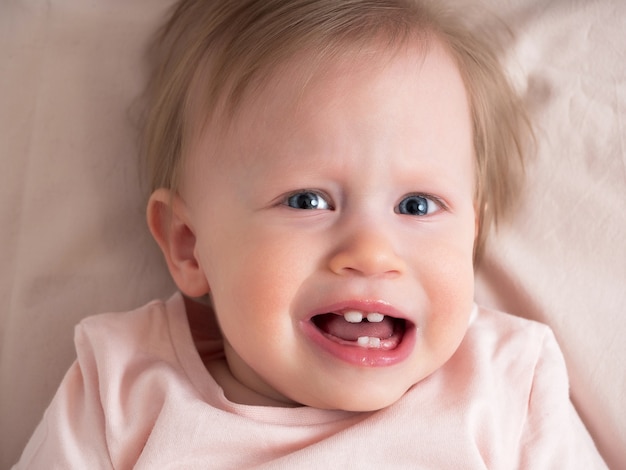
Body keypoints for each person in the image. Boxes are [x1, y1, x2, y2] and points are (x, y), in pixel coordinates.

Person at [14, 0, 607, 468]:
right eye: (307, 200)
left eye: (418, 205)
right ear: (189, 246)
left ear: (472, 233)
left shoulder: (506, 384)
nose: (371, 252)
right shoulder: (125, 387)